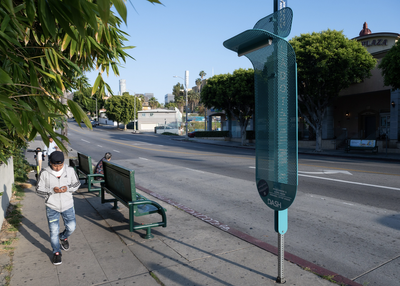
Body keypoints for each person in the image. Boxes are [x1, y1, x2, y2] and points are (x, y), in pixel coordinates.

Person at [36, 151, 81, 266]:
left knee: (71, 227)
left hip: (68, 205)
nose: (57, 168)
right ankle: (56, 252)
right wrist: (51, 191)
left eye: (60, 165)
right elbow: (38, 190)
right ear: (50, 162)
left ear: (63, 163)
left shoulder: (70, 170)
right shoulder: (44, 173)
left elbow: (77, 184)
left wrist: (68, 188)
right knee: (53, 231)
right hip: (52, 207)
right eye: (55, 165)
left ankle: (63, 237)